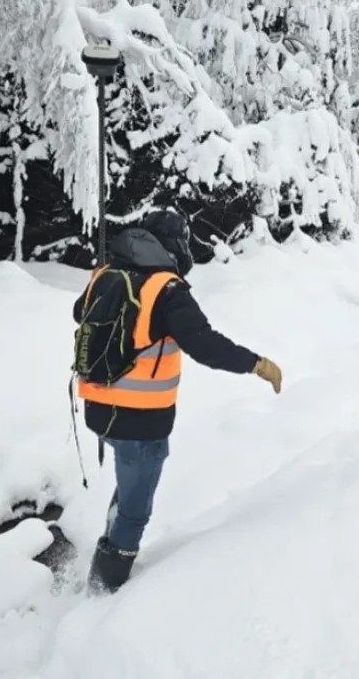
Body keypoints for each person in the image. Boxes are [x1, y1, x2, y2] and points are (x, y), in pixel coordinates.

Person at [73, 209, 283, 595]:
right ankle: (103, 592)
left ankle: (106, 558)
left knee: (128, 485)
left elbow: (78, 312)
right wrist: (257, 364)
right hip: (140, 421)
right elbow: (204, 344)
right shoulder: (167, 289)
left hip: (100, 410)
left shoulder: (108, 274)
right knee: (136, 511)